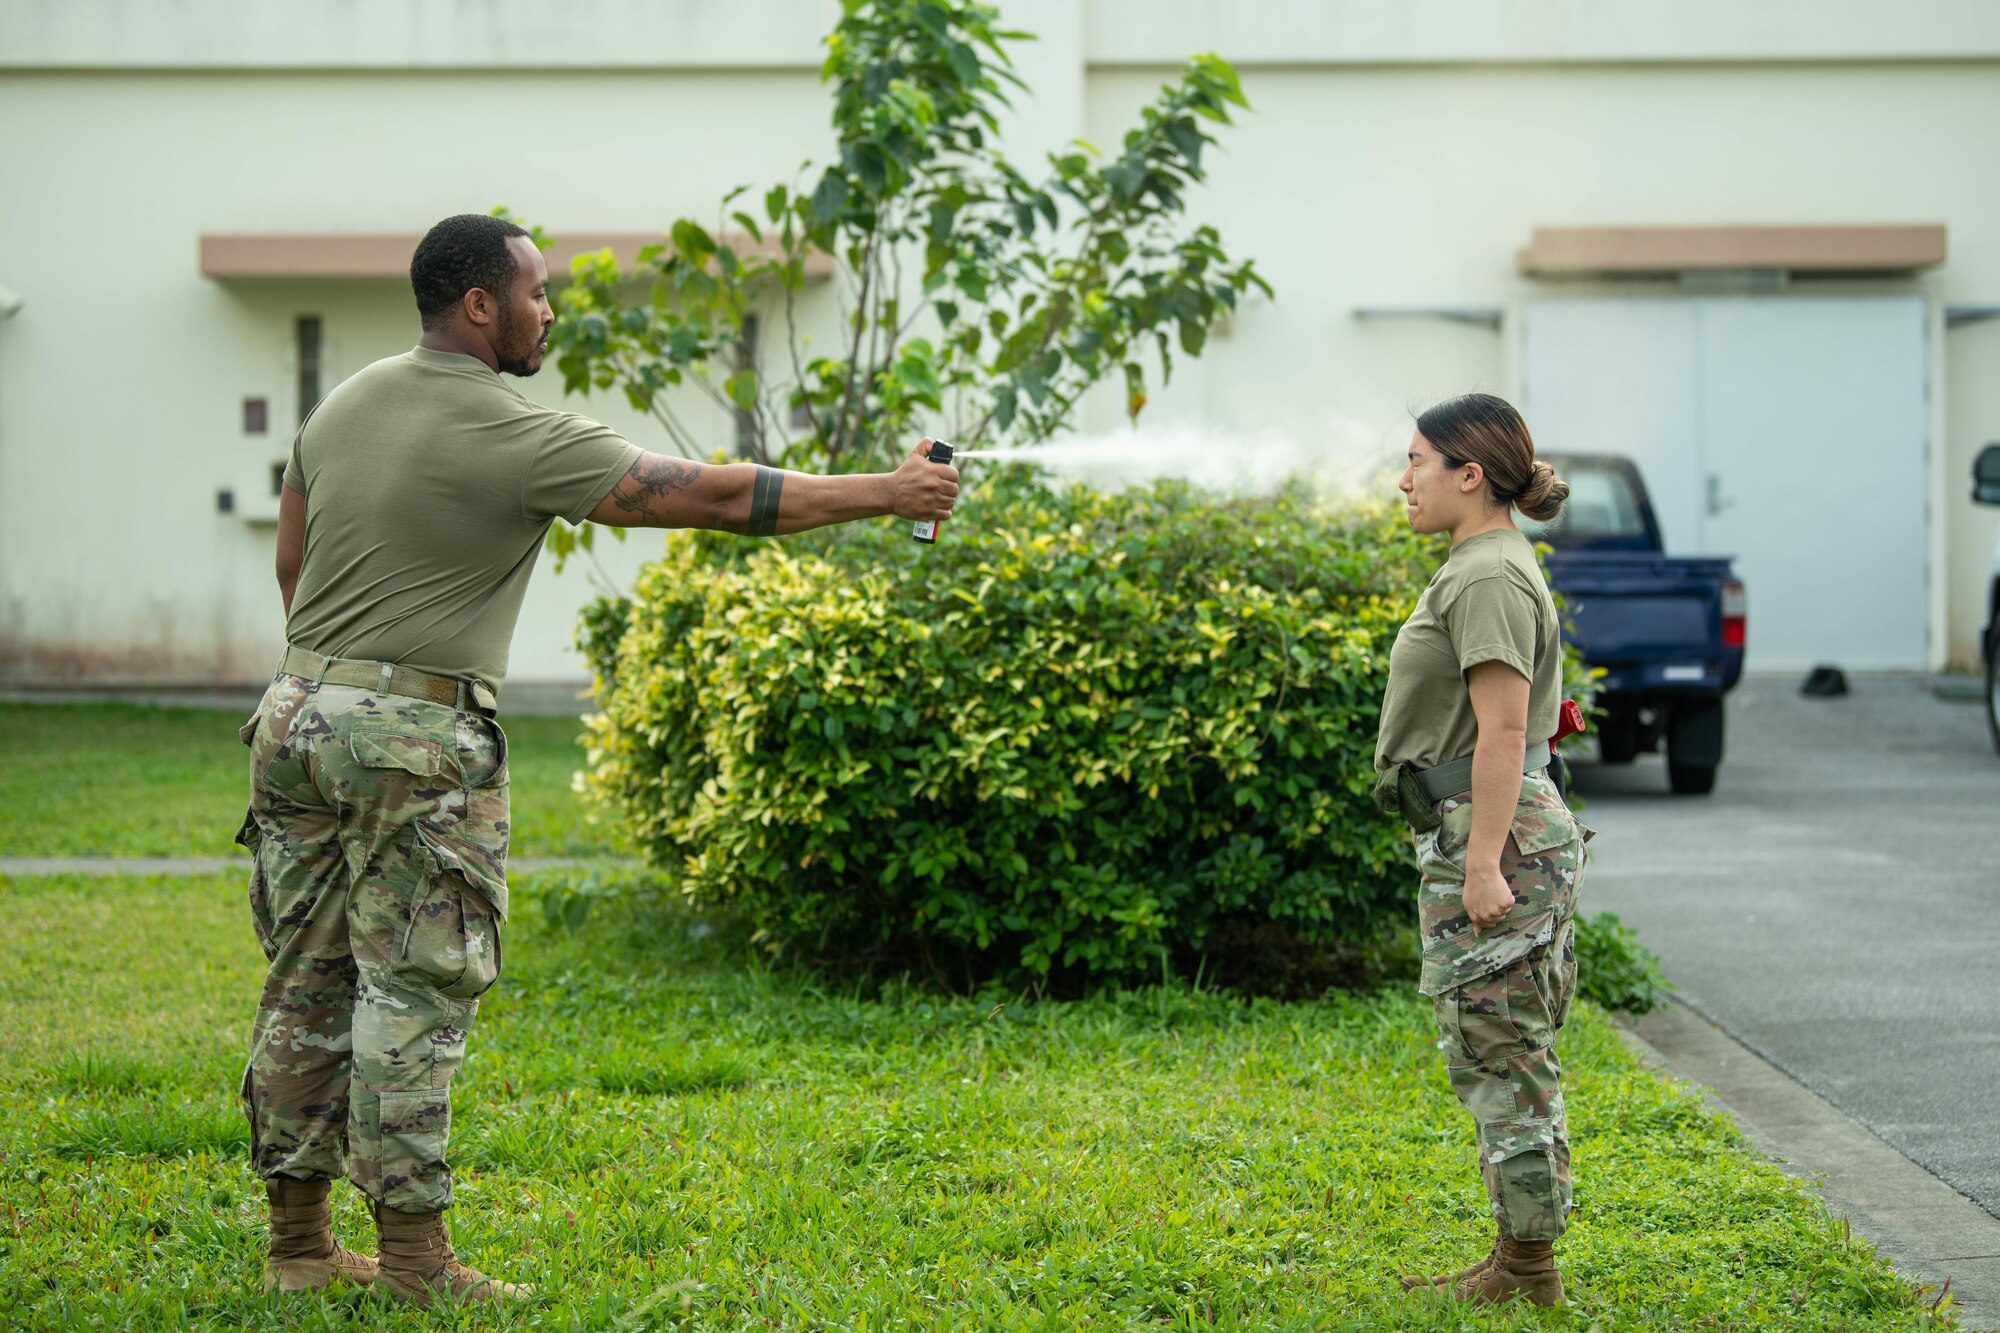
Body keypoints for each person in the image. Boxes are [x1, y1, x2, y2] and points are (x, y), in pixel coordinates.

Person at [237, 212, 959, 1306]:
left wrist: (341, 680)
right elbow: (714, 498)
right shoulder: (512, 427)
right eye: (536, 291)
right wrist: (888, 492)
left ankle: (298, 1250)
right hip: (412, 736)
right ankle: (418, 1266)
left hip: (294, 715)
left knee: (306, 982)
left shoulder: (342, 405)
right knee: (412, 989)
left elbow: (292, 557)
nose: (549, 310)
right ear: (480, 304)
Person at [1372, 393, 1588, 1308]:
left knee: (1502, 1046)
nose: (1404, 477)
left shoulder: (1486, 575)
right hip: (1484, 824)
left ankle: (1529, 1271)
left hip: (1491, 831)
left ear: (1471, 473)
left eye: (1418, 458)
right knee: (1500, 1042)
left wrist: (1483, 863)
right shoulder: (1485, 564)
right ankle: (1518, 1258)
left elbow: (1502, 733)